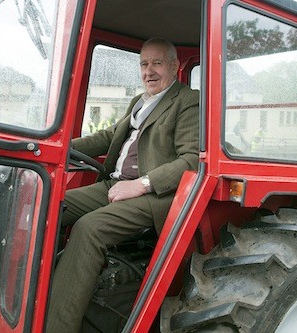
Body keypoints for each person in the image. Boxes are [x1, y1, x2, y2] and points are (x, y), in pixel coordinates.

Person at [47, 37, 200, 333]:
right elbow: (107, 137)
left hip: (154, 195)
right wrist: (55, 147)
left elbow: (192, 159)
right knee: (48, 206)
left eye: (157, 63)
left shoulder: (186, 101)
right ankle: (34, 296)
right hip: (113, 184)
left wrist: (142, 184)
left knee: (89, 229)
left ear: (174, 66)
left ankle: (56, 326)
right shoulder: (140, 102)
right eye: (144, 64)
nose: (149, 71)